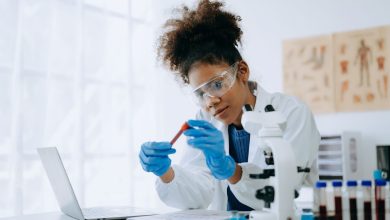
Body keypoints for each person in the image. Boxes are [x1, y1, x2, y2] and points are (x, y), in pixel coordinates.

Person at [138, 0, 320, 211]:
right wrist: (165, 172)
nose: (211, 101)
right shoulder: (204, 119)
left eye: (217, 84)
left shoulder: (292, 112)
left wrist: (231, 170)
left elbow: (283, 191)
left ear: (242, 71)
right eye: (201, 94)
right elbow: (198, 196)